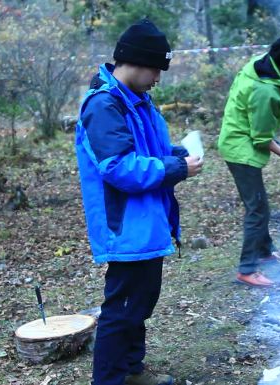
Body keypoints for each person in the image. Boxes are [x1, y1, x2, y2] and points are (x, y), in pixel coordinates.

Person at [74, 19, 203, 385]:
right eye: (156, 70)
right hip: (125, 225)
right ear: (134, 61)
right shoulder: (104, 105)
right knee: (123, 309)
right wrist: (176, 168)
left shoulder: (137, 101)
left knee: (140, 304)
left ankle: (131, 370)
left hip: (147, 221)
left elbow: (147, 151)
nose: (158, 79)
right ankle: (110, 379)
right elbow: (118, 167)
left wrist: (178, 155)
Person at [217, 34, 280, 287]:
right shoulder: (265, 89)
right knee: (257, 209)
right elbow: (260, 138)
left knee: (260, 205)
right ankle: (247, 269)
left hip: (238, 137)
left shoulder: (264, 64)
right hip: (241, 149)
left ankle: (265, 251)